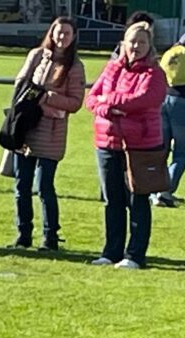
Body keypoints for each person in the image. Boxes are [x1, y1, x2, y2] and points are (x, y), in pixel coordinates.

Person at [86, 20, 167, 268]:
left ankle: (135, 255)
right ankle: (111, 252)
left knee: (137, 200)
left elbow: (145, 99)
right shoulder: (111, 68)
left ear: (149, 45)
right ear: (123, 43)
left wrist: (109, 101)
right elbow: (92, 98)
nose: (136, 46)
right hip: (107, 143)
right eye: (132, 41)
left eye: (142, 42)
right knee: (113, 200)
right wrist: (108, 107)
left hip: (139, 146)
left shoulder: (155, 73)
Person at [9, 16, 85, 251]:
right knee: (21, 186)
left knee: (44, 187)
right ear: (51, 33)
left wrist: (46, 98)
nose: (62, 37)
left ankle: (50, 237)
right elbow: (20, 83)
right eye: (58, 32)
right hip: (25, 129)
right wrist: (28, 96)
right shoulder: (37, 55)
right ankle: (23, 236)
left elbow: (75, 103)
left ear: (73, 37)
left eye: (67, 33)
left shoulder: (75, 66)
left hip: (51, 134)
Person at [154, 32, 184, 207]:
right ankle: (165, 192)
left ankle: (152, 188)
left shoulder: (170, 52)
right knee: (181, 152)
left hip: (163, 99)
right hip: (182, 102)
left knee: (160, 149)